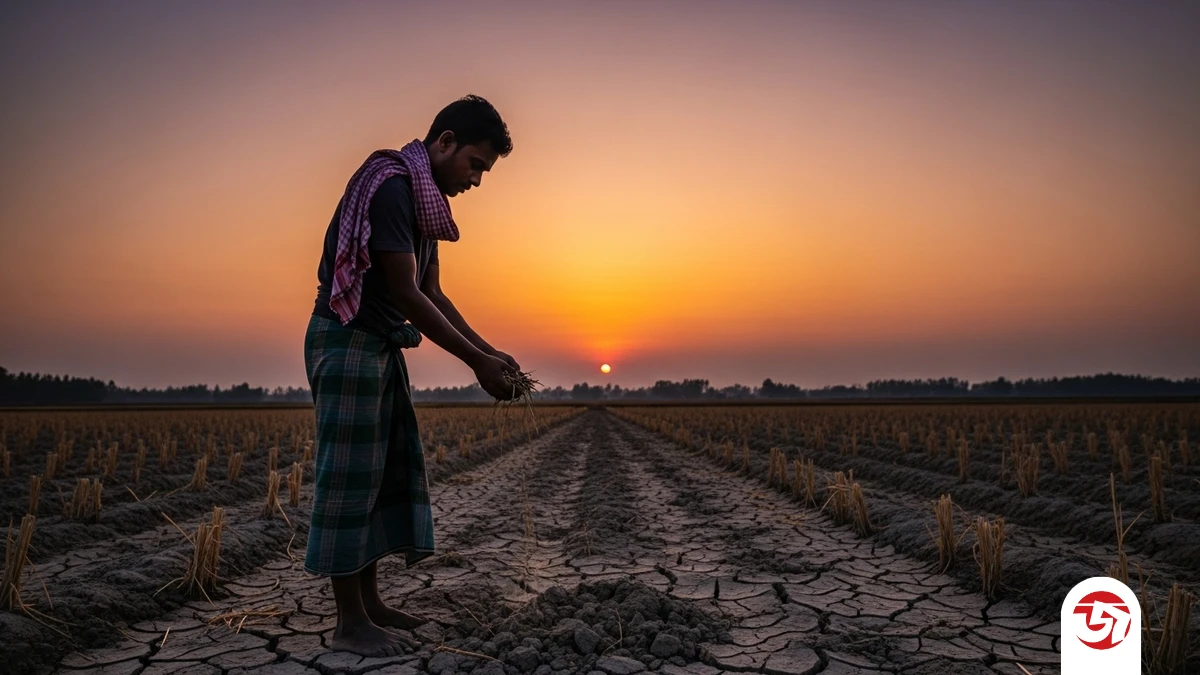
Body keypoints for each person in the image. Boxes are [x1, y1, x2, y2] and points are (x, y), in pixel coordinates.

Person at [304, 94, 520, 657]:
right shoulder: (394, 187)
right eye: (475, 164)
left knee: (376, 476)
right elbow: (403, 292)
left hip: (377, 345)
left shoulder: (425, 208)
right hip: (347, 342)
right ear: (444, 142)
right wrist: (476, 363)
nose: (476, 180)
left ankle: (371, 605)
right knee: (349, 479)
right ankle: (349, 623)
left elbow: (433, 292)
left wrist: (490, 351)